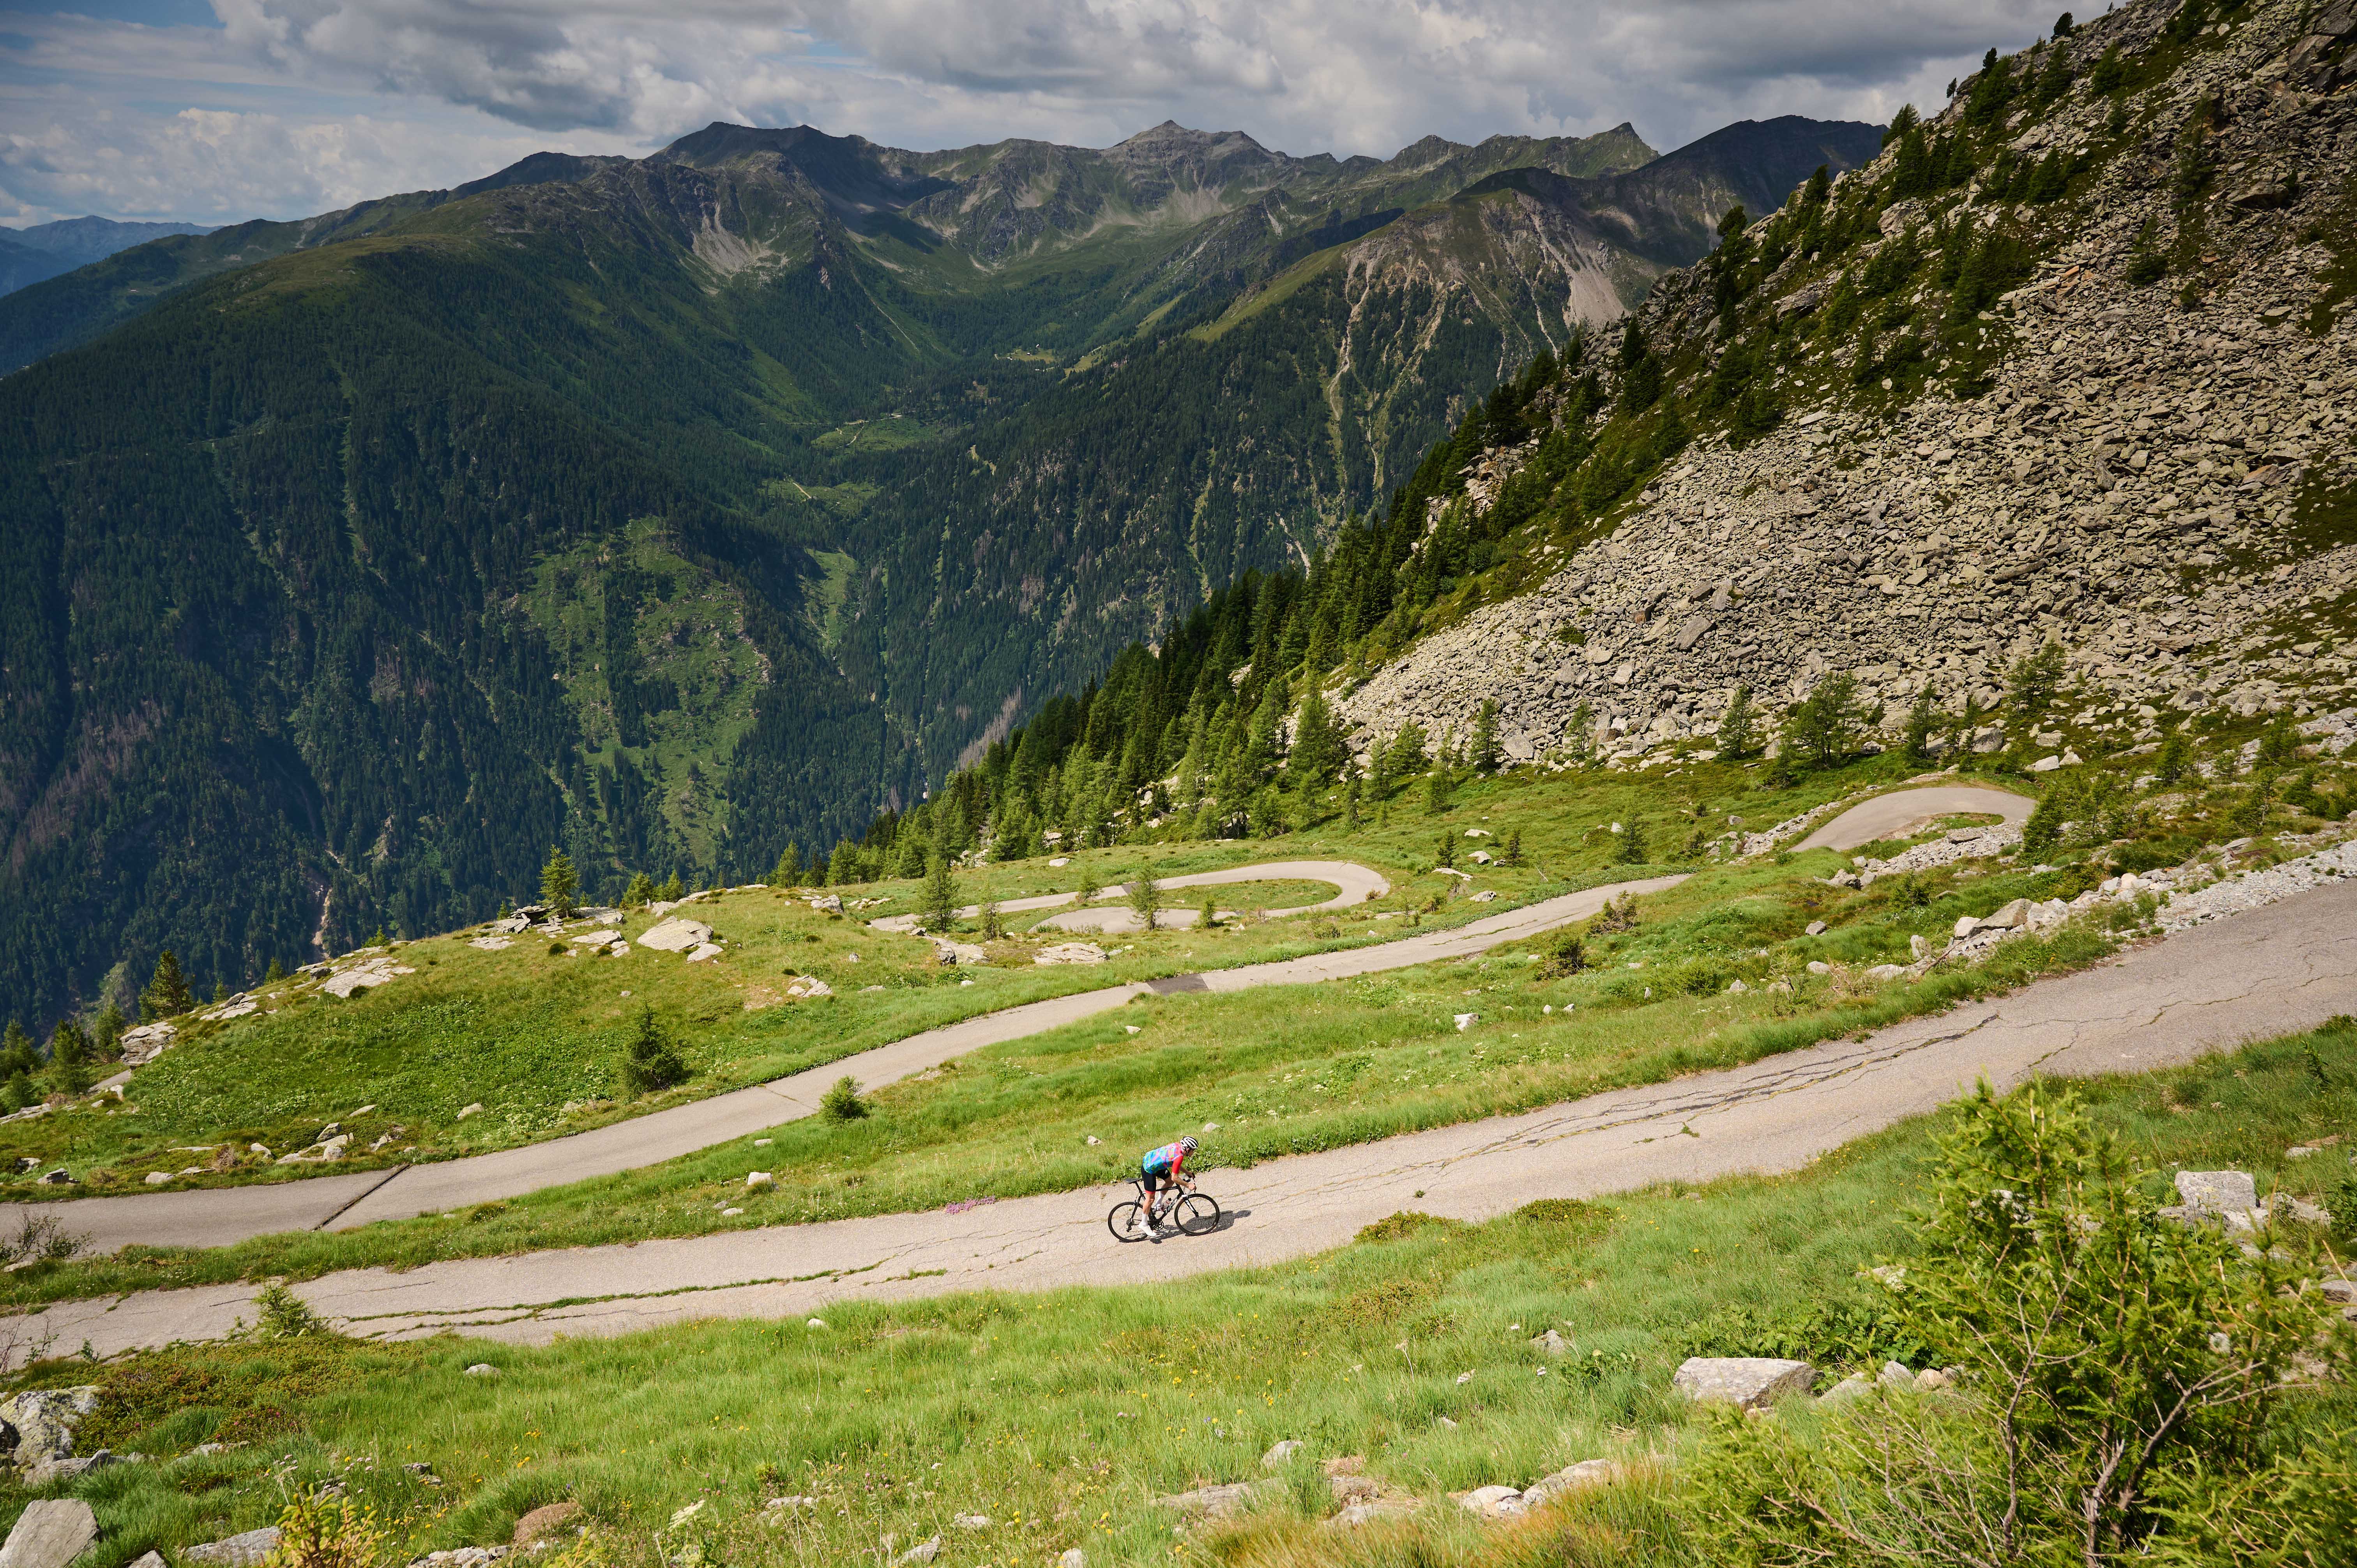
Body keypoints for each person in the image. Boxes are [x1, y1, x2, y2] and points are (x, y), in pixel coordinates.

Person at [1133, 1135, 1197, 1236]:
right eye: (1193, 1151)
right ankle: (1144, 1224)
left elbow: (1175, 1164)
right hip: (1149, 1168)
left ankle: (1159, 1204)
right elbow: (1175, 1178)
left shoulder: (1177, 1146)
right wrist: (1188, 1185)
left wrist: (1187, 1172)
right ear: (1188, 1149)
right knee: (1150, 1199)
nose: (1193, 1153)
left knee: (1169, 1182)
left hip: (1156, 1164)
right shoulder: (1180, 1156)